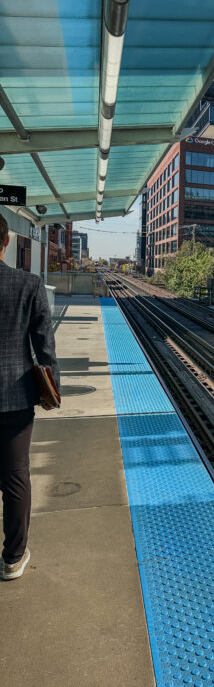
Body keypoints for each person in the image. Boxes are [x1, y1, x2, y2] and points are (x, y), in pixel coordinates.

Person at [0, 213, 59, 580]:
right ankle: (12, 558)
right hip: (15, 397)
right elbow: (45, 346)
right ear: (6, 242)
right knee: (16, 476)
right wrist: (52, 391)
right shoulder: (28, 284)